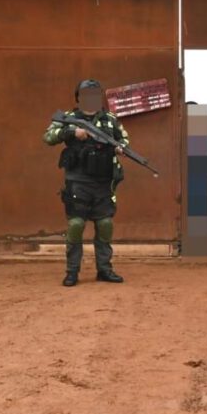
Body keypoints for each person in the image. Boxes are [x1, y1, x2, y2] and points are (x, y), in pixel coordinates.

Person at [43, 79, 129, 287]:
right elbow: (48, 136)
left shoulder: (110, 119)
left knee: (105, 224)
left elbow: (125, 139)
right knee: (76, 224)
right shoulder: (70, 118)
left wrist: (121, 147)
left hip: (103, 181)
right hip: (77, 181)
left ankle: (105, 270)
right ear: (79, 97)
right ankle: (72, 272)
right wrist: (72, 132)